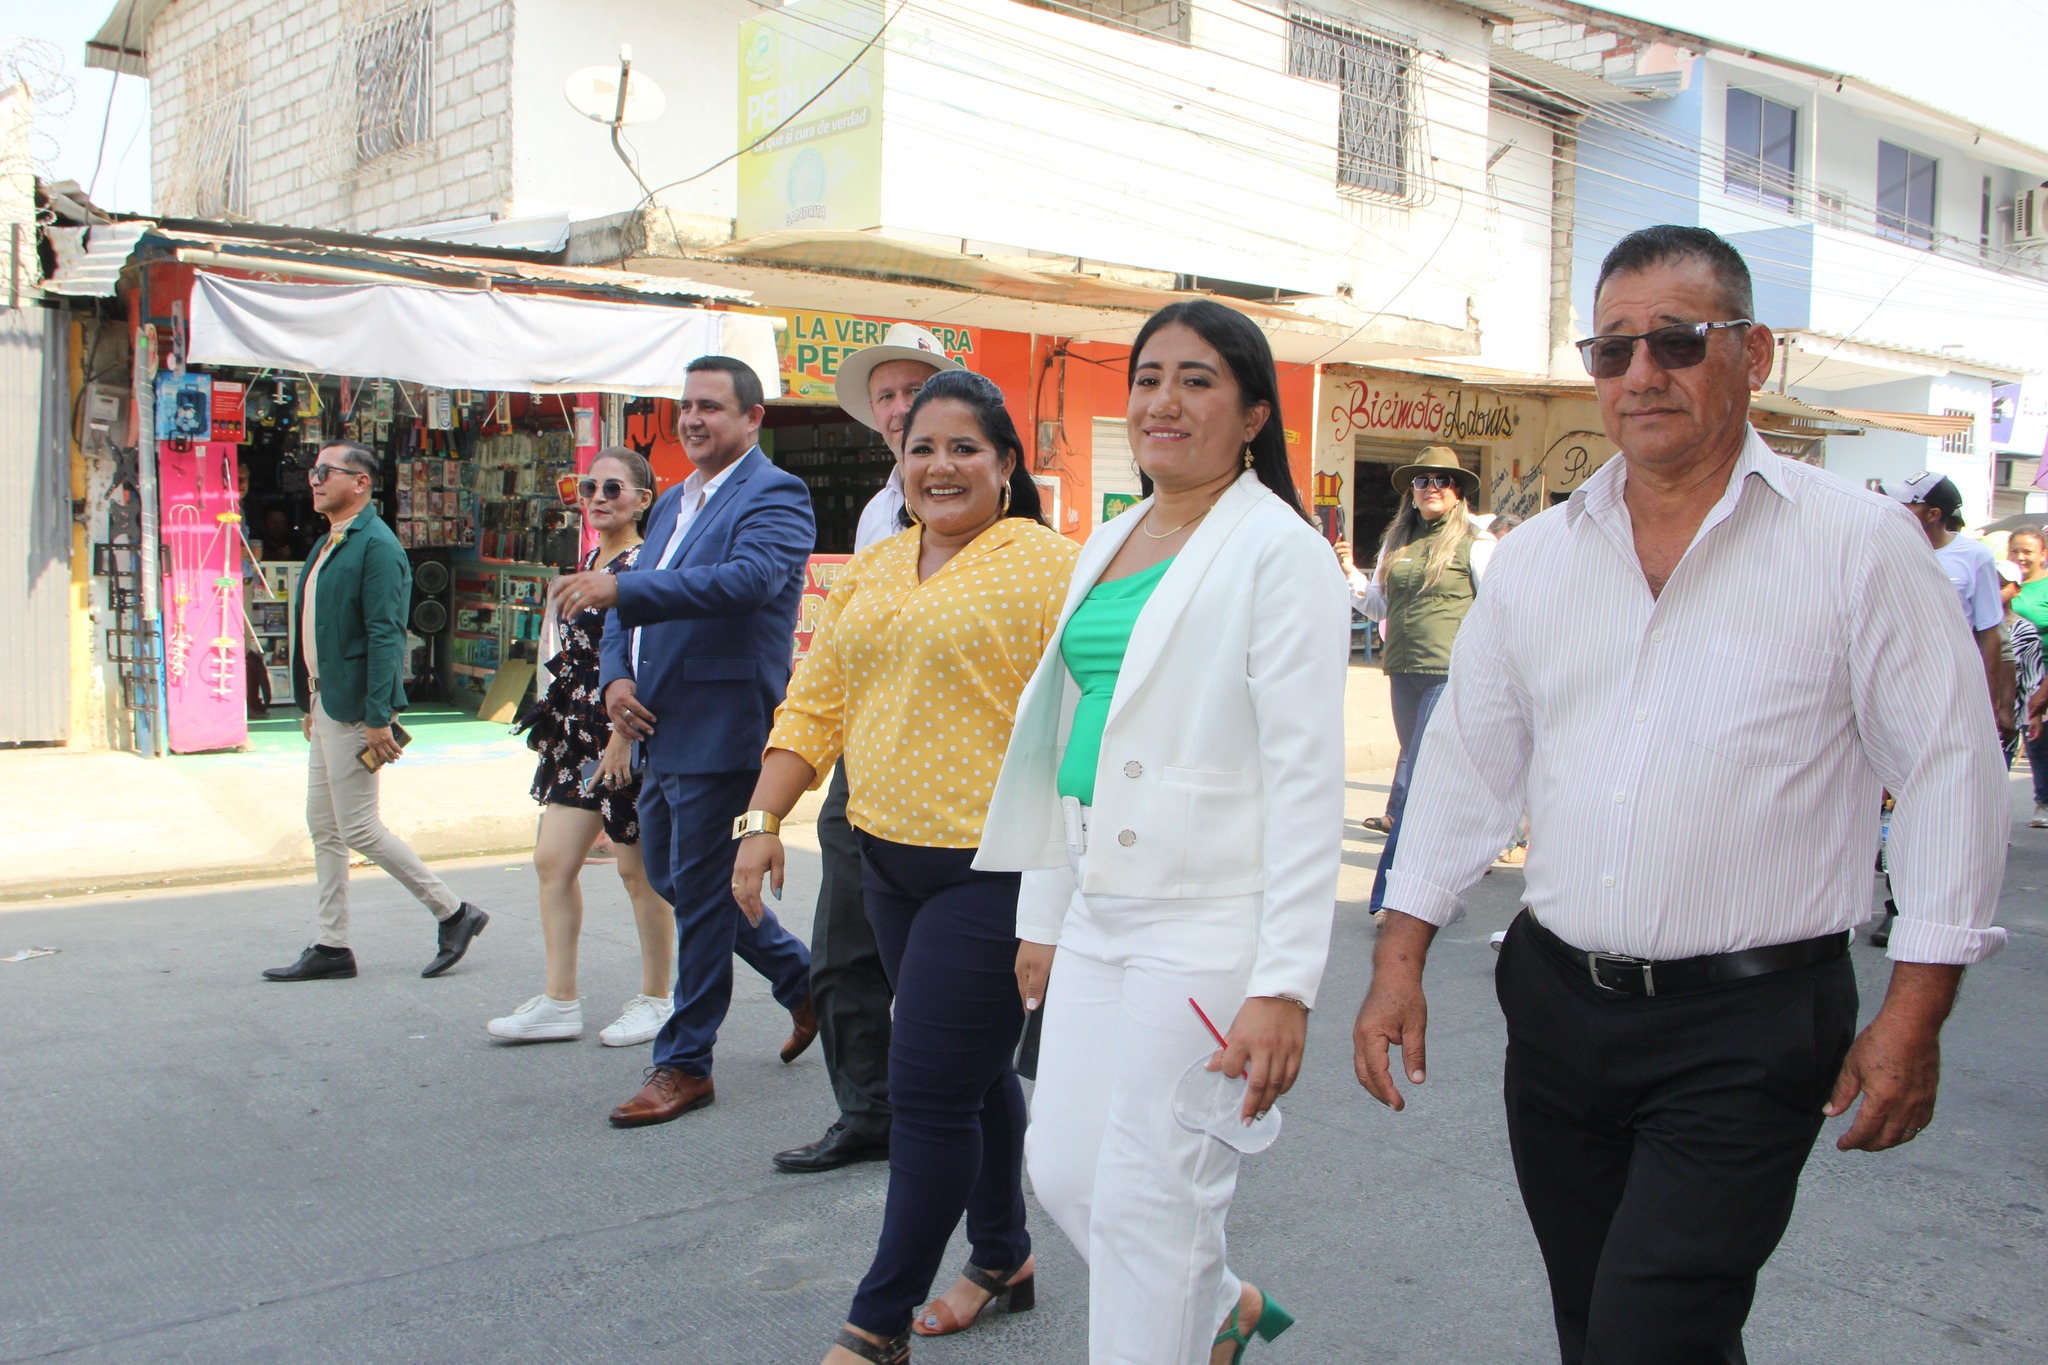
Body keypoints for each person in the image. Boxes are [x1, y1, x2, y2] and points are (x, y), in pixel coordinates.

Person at [1352, 225, 2007, 1365]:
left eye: (1678, 341)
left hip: (1748, 1026)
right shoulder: (1541, 558)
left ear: (1754, 354)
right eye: (1612, 349)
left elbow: (1949, 772)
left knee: (1648, 1330)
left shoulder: (1858, 547)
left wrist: (1913, 1015)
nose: (1641, 373)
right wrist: (1397, 957)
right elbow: (1467, 762)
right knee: (1600, 1320)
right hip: (1555, 1009)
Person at [980, 299, 1349, 1365]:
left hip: (1206, 916)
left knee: (1152, 1201)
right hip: (1096, 899)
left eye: (1196, 380)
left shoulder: (1280, 551)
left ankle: (1186, 1320)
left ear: (1252, 416)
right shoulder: (1110, 536)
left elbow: (1305, 778)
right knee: (1065, 1171)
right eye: (1147, 378)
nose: (1162, 402)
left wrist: (1283, 983)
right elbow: (1067, 730)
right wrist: (1044, 910)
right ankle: (1220, 1305)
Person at [730, 368, 1077, 1365]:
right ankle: (1002, 1253)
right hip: (884, 861)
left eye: (964, 447)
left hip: (992, 871)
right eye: (922, 447)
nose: (940, 465)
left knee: (925, 1093)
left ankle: (875, 1325)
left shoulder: (1050, 567)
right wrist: (762, 818)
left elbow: (1090, 717)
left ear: (1005, 464)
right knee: (973, 1075)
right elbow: (815, 701)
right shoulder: (875, 566)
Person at [556, 356, 818, 1127]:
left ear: (752, 418)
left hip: (722, 722)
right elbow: (624, 608)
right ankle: (804, 980)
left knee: (699, 897)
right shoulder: (673, 501)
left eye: (711, 406)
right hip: (655, 723)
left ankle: (684, 1062)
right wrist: (615, 680)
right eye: (687, 406)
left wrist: (623, 587)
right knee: (675, 877)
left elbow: (747, 581)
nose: (694, 419)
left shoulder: (776, 493)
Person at [774, 324, 963, 1176]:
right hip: (868, 746)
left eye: (913, 390)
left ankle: (952, 1115)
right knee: (842, 946)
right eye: (885, 395)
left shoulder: (992, 496)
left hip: (961, 758)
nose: (897, 407)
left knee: (948, 962)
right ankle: (866, 1110)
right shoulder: (876, 512)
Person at [264, 441, 489, 982]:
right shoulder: (329, 541)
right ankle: (331, 945)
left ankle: (453, 912)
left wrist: (378, 715)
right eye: (312, 471)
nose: (314, 480)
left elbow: (386, 634)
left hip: (354, 711)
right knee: (324, 827)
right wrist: (311, 700)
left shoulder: (378, 546)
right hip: (326, 704)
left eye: (326, 471)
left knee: (359, 829)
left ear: (360, 482)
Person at [487, 449, 677, 1047]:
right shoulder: (589, 561)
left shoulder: (645, 567)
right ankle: (559, 1000)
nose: (596, 498)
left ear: (643, 500)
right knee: (553, 861)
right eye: (587, 486)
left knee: (638, 872)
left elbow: (648, 657)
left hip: (626, 734)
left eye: (612, 488)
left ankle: (658, 998)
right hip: (574, 734)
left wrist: (622, 737)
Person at [1355, 447, 1494, 920]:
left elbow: (1496, 607)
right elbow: (1378, 606)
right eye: (1422, 480)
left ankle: (1390, 898)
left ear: (1458, 493)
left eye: (1442, 480)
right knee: (1430, 786)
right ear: (1411, 492)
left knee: (1415, 784)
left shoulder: (1477, 543)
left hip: (1448, 674)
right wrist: (1349, 579)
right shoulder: (1398, 543)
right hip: (1403, 672)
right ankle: (1440, 882)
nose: (1431, 488)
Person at [1880, 472, 2011, 747]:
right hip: (1895, 681)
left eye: (1908, 504)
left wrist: (1989, 702)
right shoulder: (1889, 549)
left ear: (1933, 514)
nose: (1897, 509)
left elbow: (1990, 634)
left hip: (1950, 685)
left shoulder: (1975, 556)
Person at [2004, 527, 2048, 825]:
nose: (2021, 556)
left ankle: (2043, 802)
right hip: (2008, 674)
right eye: (2015, 550)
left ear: (2042, 554)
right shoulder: (2000, 580)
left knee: (2038, 741)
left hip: (2042, 673)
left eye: (2028, 551)